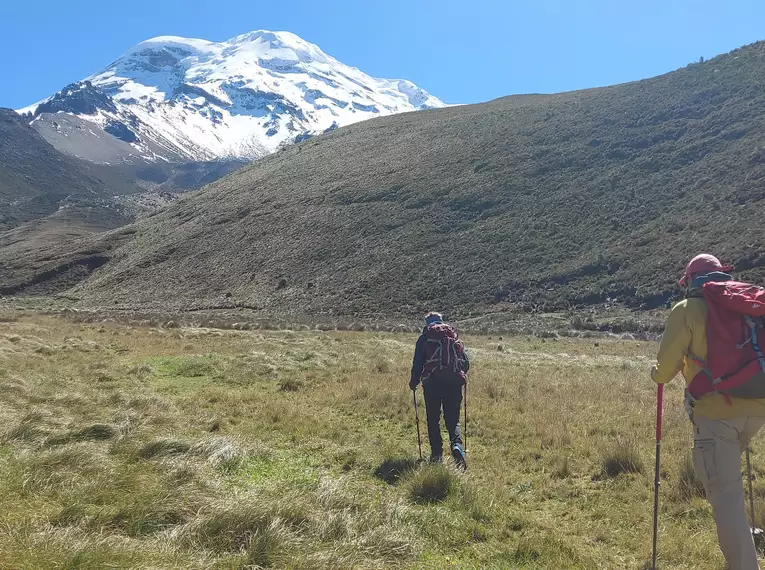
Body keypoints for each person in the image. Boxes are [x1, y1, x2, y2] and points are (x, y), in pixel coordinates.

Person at [652, 253, 765, 570]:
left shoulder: (687, 310)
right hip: (758, 408)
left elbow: (664, 371)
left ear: (689, 281)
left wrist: (655, 373)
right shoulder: (746, 305)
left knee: (726, 495)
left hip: (716, 415)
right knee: (733, 488)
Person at [410, 312, 469, 468]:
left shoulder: (424, 339)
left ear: (427, 323)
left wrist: (413, 382)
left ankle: (436, 455)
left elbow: (417, 364)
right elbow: (466, 363)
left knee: (433, 419)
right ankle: (457, 446)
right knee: (453, 419)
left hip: (432, 383)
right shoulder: (452, 336)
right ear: (442, 321)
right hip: (454, 384)